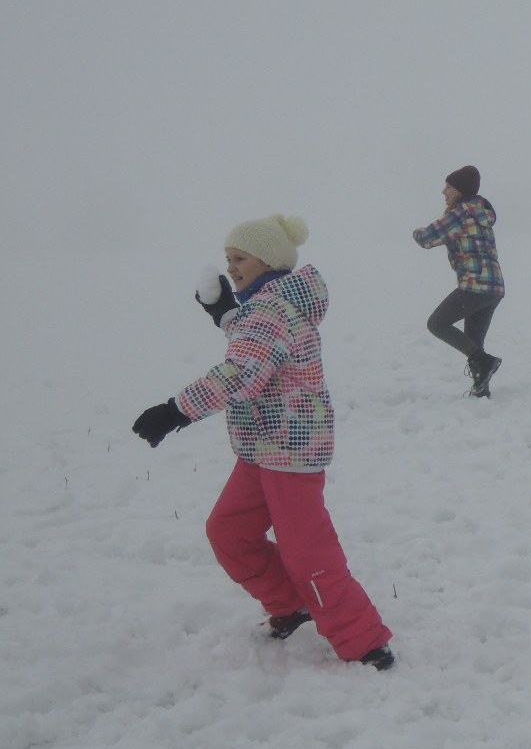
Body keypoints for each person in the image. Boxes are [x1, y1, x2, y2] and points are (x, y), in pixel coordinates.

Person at [131, 214, 394, 670]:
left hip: (290, 451)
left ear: (268, 261)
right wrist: (225, 315)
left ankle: (364, 641)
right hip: (263, 447)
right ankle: (291, 604)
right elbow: (256, 342)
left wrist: (175, 411)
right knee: (228, 532)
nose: (231, 267)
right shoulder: (268, 305)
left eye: (240, 258)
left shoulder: (268, 310)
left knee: (307, 552)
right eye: (228, 258)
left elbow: (242, 372)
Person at [413, 165, 504, 398]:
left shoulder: (461, 214)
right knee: (473, 344)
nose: (444, 192)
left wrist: (416, 231)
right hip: (494, 287)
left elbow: (426, 239)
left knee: (437, 323)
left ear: (460, 190)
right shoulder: (480, 213)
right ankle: (481, 392)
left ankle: (486, 363)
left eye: (448, 187)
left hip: (476, 285)